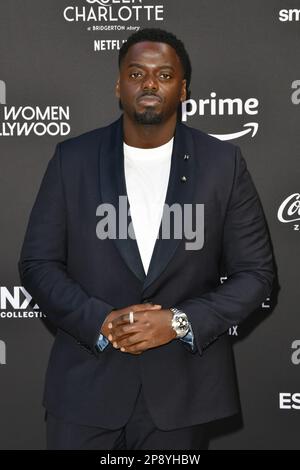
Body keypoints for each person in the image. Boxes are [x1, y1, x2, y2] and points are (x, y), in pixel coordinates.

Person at [19, 28, 274, 450]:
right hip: (85, 390)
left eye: (164, 74)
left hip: (182, 396)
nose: (150, 84)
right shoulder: (73, 159)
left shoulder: (221, 163)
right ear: (119, 85)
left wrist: (178, 322)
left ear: (183, 88)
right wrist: (101, 321)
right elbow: (37, 264)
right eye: (137, 73)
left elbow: (256, 274)